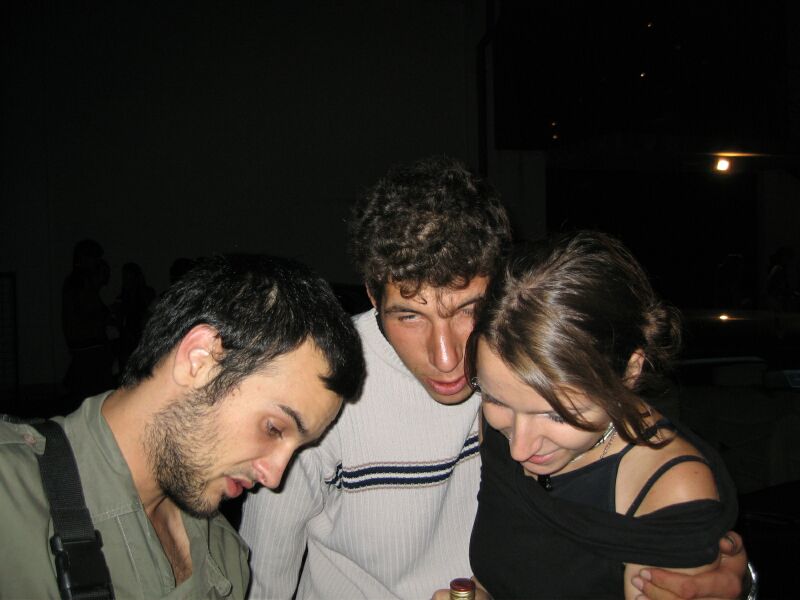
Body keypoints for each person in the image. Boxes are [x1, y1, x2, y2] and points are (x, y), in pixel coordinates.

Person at [241, 157, 749, 600]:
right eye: (409, 316)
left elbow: (643, 461)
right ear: (374, 296)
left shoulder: (520, 368)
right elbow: (260, 579)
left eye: (468, 309)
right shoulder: (312, 390)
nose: (447, 360)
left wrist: (721, 571)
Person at [0, 254, 365, 599]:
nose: (274, 478)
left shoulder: (225, 554)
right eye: (273, 428)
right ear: (199, 360)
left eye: (298, 449)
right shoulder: (12, 500)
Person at [439, 232, 739, 599]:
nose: (520, 449)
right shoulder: (501, 426)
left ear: (629, 371)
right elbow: (505, 573)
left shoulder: (669, 489)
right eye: (496, 400)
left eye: (557, 415)